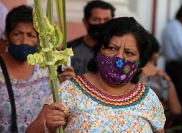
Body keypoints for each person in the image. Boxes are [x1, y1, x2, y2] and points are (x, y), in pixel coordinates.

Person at [26, 17, 165, 133]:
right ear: (98, 50)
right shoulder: (70, 91)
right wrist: (47, 127)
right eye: (112, 48)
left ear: (140, 62)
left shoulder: (149, 99)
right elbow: (31, 130)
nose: (119, 58)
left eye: (129, 53)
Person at [0, 5, 52, 133]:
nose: (24, 41)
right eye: (17, 34)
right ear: (6, 35)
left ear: (38, 38)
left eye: (31, 35)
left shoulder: (47, 70)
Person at [60, 0, 115, 77]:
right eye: (96, 19)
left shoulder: (117, 51)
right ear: (85, 22)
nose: (102, 24)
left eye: (106, 20)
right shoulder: (69, 49)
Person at [140, 33, 182, 129]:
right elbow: (176, 110)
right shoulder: (163, 78)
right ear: (155, 56)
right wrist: (163, 118)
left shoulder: (130, 75)